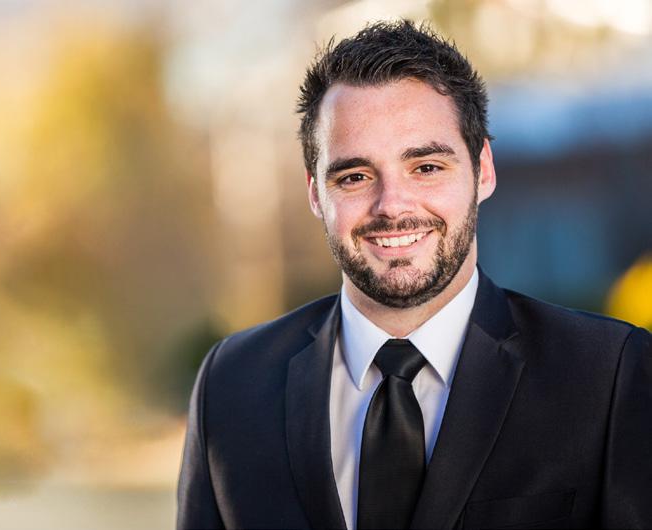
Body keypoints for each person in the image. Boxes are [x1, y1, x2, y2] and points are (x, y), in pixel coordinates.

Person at [177, 20, 652, 529]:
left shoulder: (608, 375)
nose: (392, 205)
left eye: (426, 167)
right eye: (355, 176)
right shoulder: (231, 385)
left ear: (483, 170)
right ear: (316, 193)